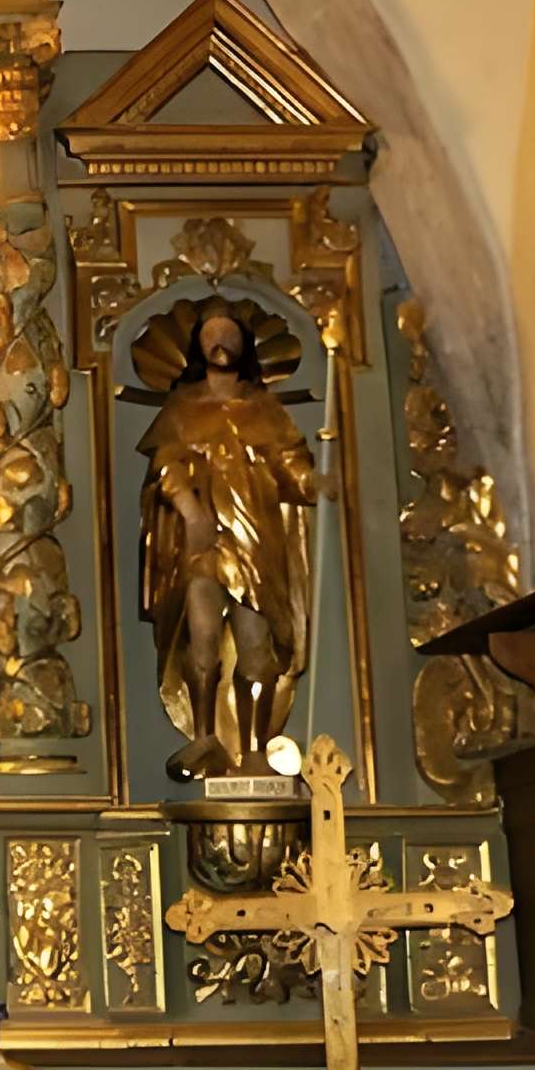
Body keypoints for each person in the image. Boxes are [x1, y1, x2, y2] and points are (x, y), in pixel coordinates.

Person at [131, 301, 324, 776]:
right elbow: (165, 466)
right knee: (201, 641)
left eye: (230, 335)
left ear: (244, 345)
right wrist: (191, 511)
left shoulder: (265, 407)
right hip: (199, 542)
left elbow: (291, 466)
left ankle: (256, 750)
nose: (221, 343)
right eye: (212, 334)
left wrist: (315, 483)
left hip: (254, 537)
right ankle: (205, 739)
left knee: (256, 650)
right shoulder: (182, 406)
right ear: (198, 345)